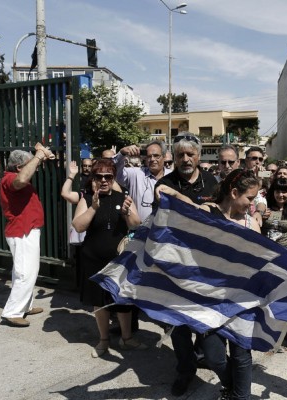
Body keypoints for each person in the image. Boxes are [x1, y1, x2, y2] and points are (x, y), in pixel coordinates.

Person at [156, 168, 260, 399]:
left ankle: (240, 396)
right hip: (210, 302)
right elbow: (189, 210)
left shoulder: (251, 223)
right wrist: (173, 194)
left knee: (242, 356)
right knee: (214, 357)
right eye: (249, 198)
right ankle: (231, 386)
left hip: (242, 301)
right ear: (233, 192)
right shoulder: (208, 212)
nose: (252, 205)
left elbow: (260, 260)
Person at [154, 132, 219, 396]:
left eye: (190, 154)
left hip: (204, 264)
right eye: (180, 154)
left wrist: (185, 202)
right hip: (175, 264)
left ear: (199, 156)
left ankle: (203, 354)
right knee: (178, 323)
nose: (185, 159)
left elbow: (217, 217)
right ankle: (185, 369)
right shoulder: (165, 182)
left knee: (203, 318)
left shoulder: (211, 182)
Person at [71, 159, 146, 358]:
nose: (103, 181)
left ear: (113, 178)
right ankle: (103, 340)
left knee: (123, 301)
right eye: (99, 177)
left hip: (119, 261)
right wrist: (93, 208)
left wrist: (126, 212)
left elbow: (136, 224)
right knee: (100, 302)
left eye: (108, 177)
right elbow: (78, 226)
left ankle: (126, 338)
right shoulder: (87, 198)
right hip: (93, 258)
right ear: (92, 178)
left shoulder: (123, 197)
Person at [0, 143, 53, 327]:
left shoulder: (13, 176)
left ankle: (24, 306)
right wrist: (38, 156)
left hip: (25, 229)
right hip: (22, 231)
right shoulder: (10, 178)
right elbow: (21, 181)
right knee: (25, 272)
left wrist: (41, 156)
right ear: (19, 167)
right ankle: (12, 312)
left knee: (22, 271)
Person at [114, 140, 171, 222]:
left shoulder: (172, 177)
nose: (152, 159)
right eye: (149, 156)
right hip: (141, 231)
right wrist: (122, 153)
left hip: (166, 231)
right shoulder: (136, 174)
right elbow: (112, 170)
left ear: (164, 156)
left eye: (156, 156)